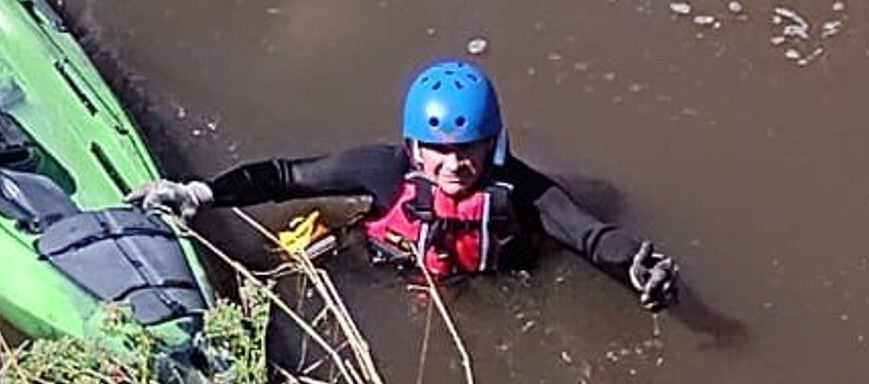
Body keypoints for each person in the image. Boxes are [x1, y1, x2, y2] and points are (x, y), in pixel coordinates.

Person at [129, 59, 681, 312]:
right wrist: (197, 193)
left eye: (469, 150)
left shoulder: (522, 191)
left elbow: (591, 236)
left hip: (487, 288)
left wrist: (639, 267)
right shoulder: (382, 170)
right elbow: (282, 177)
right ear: (415, 148)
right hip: (386, 266)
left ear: (494, 143)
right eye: (438, 152)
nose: (454, 166)